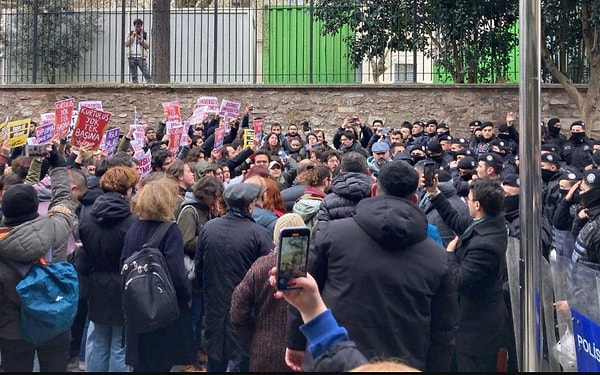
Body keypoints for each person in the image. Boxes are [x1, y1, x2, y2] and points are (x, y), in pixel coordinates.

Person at [286, 160, 458, 372]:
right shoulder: (438, 257)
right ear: (414, 199)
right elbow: (443, 332)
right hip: (405, 362)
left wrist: (295, 342)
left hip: (334, 360)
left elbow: (303, 288)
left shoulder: (333, 234)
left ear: (374, 190)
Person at [425, 176, 510, 372]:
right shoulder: (488, 222)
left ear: (478, 205)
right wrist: (434, 193)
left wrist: (449, 254)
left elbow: (459, 280)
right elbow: (455, 220)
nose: (466, 203)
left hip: (477, 331)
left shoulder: (485, 245)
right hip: (468, 324)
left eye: (469, 200)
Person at [0, 161, 78, 371]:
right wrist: (60, 167)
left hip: (14, 330)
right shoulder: (58, 226)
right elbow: (63, 200)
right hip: (55, 320)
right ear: (36, 206)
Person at [196, 183, 273, 372]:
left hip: (215, 308)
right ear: (250, 206)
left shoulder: (209, 229)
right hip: (246, 311)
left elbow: (199, 269)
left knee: (216, 359)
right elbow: (266, 275)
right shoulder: (259, 234)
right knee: (242, 360)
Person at [120, 177, 195, 372]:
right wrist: (187, 295)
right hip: (163, 309)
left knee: (142, 364)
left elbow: (124, 263)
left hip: (137, 305)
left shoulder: (133, 228)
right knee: (161, 363)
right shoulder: (170, 231)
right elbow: (177, 272)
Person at [77, 166, 138, 372]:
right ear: (127, 189)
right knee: (120, 345)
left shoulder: (87, 216)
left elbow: (83, 256)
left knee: (98, 341)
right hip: (123, 284)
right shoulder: (133, 220)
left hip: (97, 282)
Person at [230, 213, 306, 372]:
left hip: (264, 352)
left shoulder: (262, 266)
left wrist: (253, 337)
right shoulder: (312, 270)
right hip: (303, 351)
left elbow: (237, 308)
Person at [125, 18, 153, 84]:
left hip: (141, 57)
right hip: (132, 57)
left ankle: (151, 86)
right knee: (134, 76)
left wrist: (141, 39)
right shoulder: (130, 33)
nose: (138, 28)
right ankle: (135, 88)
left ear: (141, 26)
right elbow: (126, 44)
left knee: (146, 74)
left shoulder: (145, 34)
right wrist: (132, 37)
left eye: (139, 27)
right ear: (134, 26)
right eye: (136, 27)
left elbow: (148, 46)